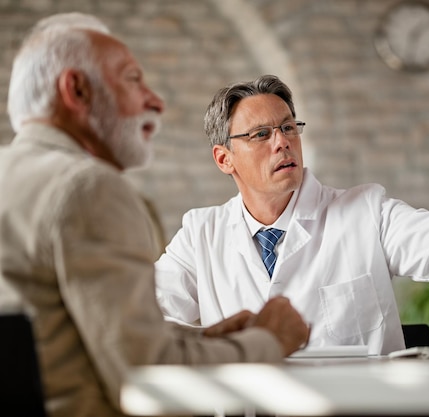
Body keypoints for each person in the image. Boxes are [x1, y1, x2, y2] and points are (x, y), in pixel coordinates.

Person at [0, 13, 309, 417]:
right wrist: (270, 340)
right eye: (132, 79)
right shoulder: (88, 189)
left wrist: (202, 339)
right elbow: (150, 378)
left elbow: (70, 331)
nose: (155, 101)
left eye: (288, 128)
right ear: (76, 89)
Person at [155, 77, 429, 355]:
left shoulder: (366, 212)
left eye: (288, 127)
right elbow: (145, 319)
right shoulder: (200, 235)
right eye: (260, 134)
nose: (282, 141)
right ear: (224, 159)